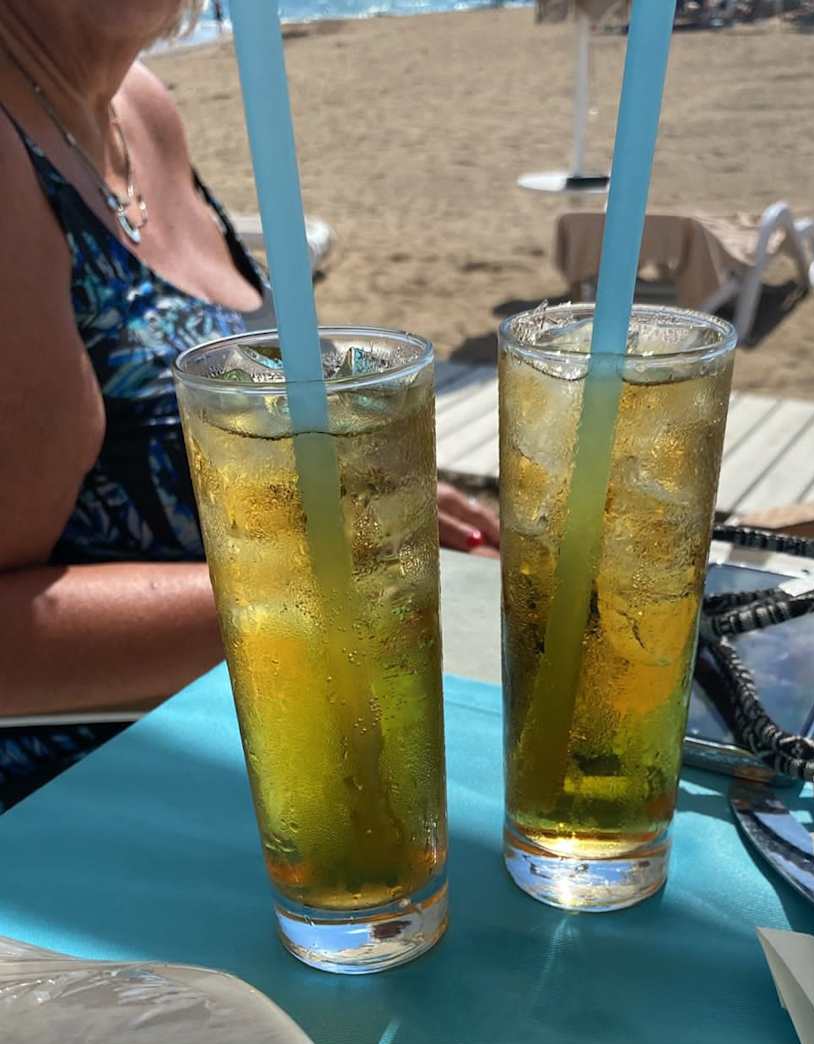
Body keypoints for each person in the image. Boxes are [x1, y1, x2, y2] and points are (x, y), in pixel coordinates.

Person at [0, 0, 499, 808]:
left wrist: (348, 498)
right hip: (86, 805)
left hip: (289, 722)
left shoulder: (139, 105)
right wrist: (335, 584)